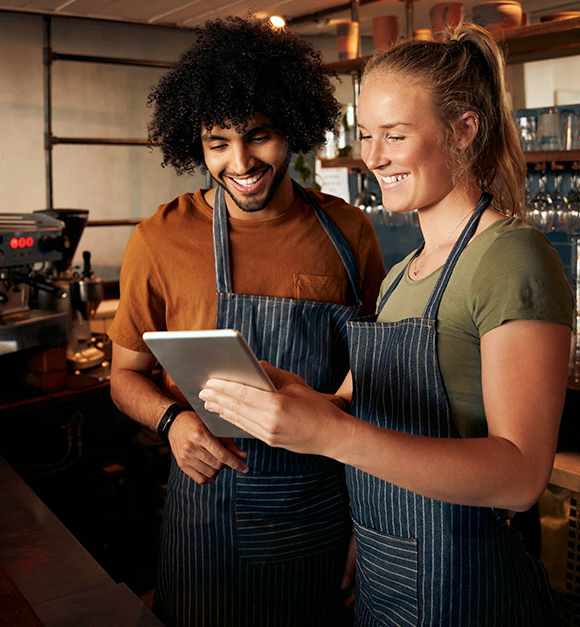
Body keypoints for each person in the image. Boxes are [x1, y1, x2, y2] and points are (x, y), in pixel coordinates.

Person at [199, 22, 573, 626]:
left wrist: (329, 434)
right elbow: (357, 412)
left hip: (469, 587)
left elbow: (521, 475)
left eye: (395, 135)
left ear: (463, 130)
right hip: (385, 573)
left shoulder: (511, 257)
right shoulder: (402, 275)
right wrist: (295, 397)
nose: (373, 157)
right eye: (368, 135)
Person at [107, 15, 387, 627]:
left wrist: (368, 526)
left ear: (292, 126)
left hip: (322, 509)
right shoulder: (159, 239)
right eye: (217, 145)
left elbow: (372, 390)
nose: (240, 162)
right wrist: (174, 421)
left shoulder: (347, 233)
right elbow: (124, 376)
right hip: (208, 511)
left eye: (258, 136)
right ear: (196, 145)